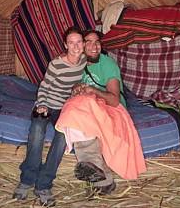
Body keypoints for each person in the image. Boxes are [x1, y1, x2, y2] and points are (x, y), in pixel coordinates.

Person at [56, 30, 146, 195]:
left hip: (111, 108)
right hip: (88, 107)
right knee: (73, 108)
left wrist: (92, 89)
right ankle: (101, 176)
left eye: (97, 42)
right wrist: (75, 88)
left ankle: (96, 171)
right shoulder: (76, 63)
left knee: (80, 106)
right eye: (88, 42)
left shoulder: (108, 64)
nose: (94, 46)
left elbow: (114, 100)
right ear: (82, 46)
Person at [13, 27, 86, 206]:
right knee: (37, 130)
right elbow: (44, 87)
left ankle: (43, 185)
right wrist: (42, 104)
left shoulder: (86, 61)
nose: (75, 46)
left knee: (62, 138)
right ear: (65, 45)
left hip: (65, 108)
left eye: (79, 42)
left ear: (83, 44)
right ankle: (27, 180)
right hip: (47, 104)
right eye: (71, 42)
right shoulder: (56, 64)